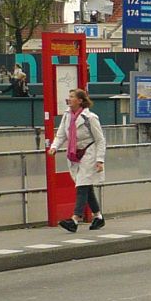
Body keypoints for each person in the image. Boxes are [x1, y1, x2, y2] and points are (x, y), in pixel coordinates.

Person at [47, 88, 107, 232]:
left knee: (81, 186)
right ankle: (98, 217)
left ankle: (75, 219)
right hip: (74, 154)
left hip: (89, 153)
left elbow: (100, 140)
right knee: (86, 185)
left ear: (80, 101)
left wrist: (100, 160)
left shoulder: (90, 118)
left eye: (72, 96)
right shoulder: (67, 116)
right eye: (69, 96)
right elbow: (61, 134)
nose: (69, 99)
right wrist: (54, 147)